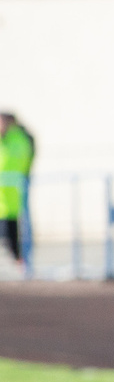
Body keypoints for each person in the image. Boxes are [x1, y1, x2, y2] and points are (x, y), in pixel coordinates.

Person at [0, 108, 32, 265]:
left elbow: (24, 161)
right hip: (3, 196)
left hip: (14, 194)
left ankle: (22, 263)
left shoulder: (19, 139)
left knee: (16, 231)